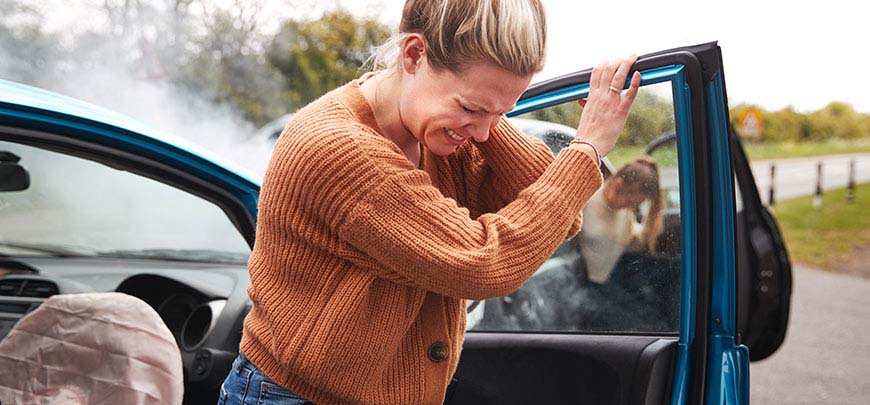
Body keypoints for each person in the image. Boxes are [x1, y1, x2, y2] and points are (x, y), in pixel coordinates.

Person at [220, 0, 641, 403]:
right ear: (414, 53)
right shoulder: (339, 149)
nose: (481, 134)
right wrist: (587, 148)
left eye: (501, 114)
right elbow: (483, 262)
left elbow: (552, 204)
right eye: (472, 107)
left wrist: (486, 114)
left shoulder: (436, 131)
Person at [578, 156, 665, 283]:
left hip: (611, 277)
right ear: (617, 185)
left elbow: (634, 241)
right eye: (630, 202)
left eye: (636, 204)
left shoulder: (625, 212)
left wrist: (651, 222)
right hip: (584, 280)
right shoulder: (585, 202)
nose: (631, 207)